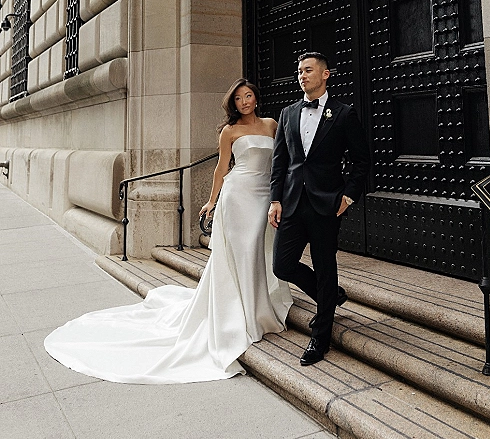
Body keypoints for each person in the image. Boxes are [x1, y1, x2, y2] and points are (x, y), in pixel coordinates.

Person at [44, 79, 292, 384]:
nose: (245, 101)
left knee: (260, 250)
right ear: (233, 103)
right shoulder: (230, 131)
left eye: (249, 96)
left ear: (256, 98)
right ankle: (246, 314)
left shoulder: (271, 124)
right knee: (243, 251)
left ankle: (259, 304)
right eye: (239, 98)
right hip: (238, 196)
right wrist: (212, 201)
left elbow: (282, 161)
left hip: (264, 195)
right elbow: (221, 168)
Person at [268, 52, 370, 366]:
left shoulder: (343, 114)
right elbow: (280, 161)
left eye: (308, 70)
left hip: (327, 204)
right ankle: (331, 297)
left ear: (325, 75)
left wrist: (349, 196)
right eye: (299, 71)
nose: (302, 75)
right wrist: (275, 199)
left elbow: (362, 161)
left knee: (326, 267)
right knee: (282, 265)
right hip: (293, 202)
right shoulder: (287, 113)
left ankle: (321, 337)